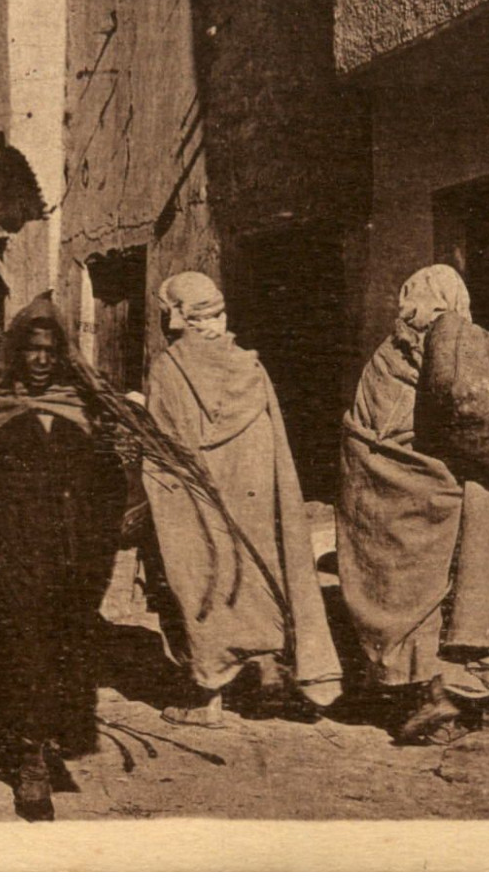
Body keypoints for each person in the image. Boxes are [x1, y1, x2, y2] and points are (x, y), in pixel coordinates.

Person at [0, 295, 128, 821]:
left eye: (49, 350)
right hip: (10, 556)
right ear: (16, 355)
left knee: (64, 654)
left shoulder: (82, 411)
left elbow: (107, 488)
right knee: (20, 654)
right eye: (31, 350)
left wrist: (117, 469)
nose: (40, 360)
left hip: (70, 560)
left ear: (62, 355)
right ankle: (30, 761)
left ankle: (45, 735)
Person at [337, 265, 489, 745]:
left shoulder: (387, 360)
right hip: (465, 494)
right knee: (462, 580)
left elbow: (375, 434)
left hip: (408, 494)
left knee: (414, 585)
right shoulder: (473, 351)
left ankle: (431, 693)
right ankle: (457, 691)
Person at [140, 272, 344, 727]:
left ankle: (208, 694)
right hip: (255, 500)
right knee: (262, 573)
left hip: (201, 503)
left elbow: (164, 449)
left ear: (175, 316)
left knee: (200, 578)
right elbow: (275, 449)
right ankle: (269, 672)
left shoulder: (169, 369)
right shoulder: (248, 367)